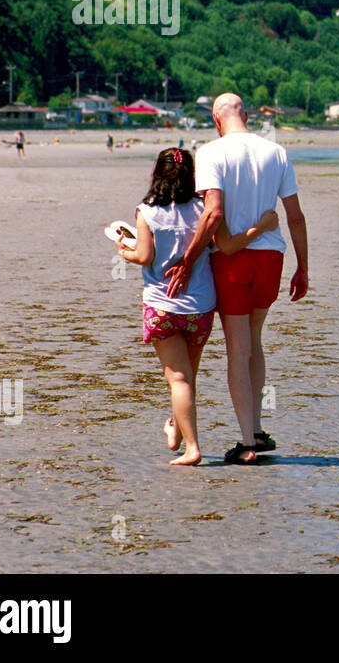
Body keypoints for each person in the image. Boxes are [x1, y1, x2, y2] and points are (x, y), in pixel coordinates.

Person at [164, 93, 308, 465]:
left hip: (232, 261)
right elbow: (295, 216)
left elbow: (213, 213)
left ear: (216, 120)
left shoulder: (211, 152)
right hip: (272, 257)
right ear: (246, 115)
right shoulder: (276, 152)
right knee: (254, 342)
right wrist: (303, 267)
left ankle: (247, 442)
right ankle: (256, 427)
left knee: (237, 349)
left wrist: (187, 260)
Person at [115, 147, 279, 465]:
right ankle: (176, 431)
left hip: (162, 306)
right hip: (200, 306)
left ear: (157, 174)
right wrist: (261, 227)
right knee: (188, 376)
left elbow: (145, 256)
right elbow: (226, 244)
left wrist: (124, 250)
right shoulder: (204, 209)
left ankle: (192, 448)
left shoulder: (147, 210)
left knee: (178, 379)